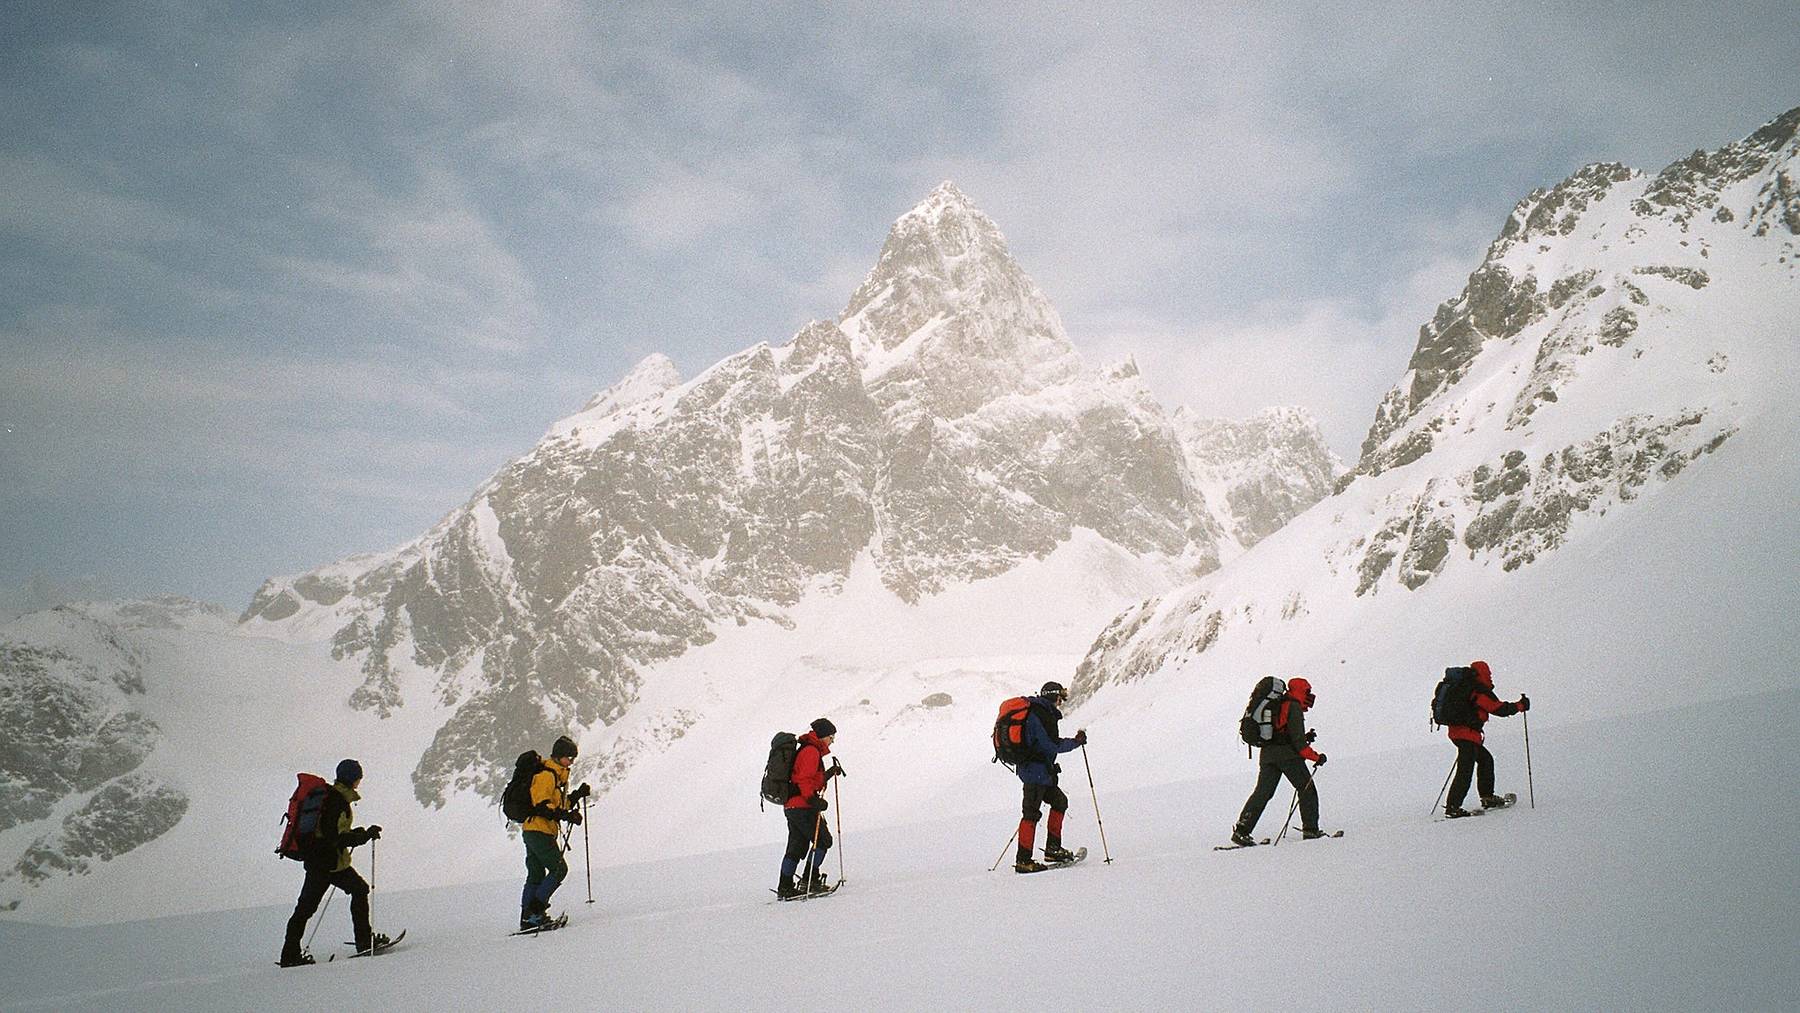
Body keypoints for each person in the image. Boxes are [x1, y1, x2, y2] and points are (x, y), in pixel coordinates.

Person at [279, 759, 387, 966]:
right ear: (353, 779)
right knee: (309, 908)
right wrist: (363, 836)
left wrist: (360, 833)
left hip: (322, 862)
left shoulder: (332, 798)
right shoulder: (337, 801)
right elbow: (334, 837)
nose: (359, 782)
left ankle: (290, 954)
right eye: (358, 778)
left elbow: (334, 833)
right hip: (327, 864)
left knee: (312, 906)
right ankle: (363, 942)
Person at [1230, 678, 1326, 846]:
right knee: (1307, 789)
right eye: (1307, 691)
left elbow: (1279, 733)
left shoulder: (1279, 703)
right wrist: (1317, 757)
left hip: (1267, 756)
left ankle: (1242, 831)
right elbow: (1299, 745)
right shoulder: (1293, 706)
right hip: (1287, 757)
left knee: (1263, 793)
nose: (1309, 695)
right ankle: (1311, 831)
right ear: (1301, 691)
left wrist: (1304, 738)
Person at [1012, 681, 1086, 873]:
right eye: (1060, 697)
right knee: (1031, 814)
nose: (1061, 701)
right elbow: (1051, 745)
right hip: (1035, 774)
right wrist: (1076, 742)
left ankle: (1053, 849)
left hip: (1039, 773)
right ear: (1054, 696)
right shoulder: (1043, 715)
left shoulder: (1040, 712)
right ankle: (1024, 860)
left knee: (1060, 802)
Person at [1443, 660, 1529, 818]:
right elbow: (1497, 708)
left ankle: (1486, 797)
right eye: (1489, 674)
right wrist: (1519, 706)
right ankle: (1453, 807)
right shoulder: (1477, 689)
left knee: (1485, 760)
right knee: (1466, 769)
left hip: (1459, 732)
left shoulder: (1466, 687)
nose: (1490, 677)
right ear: (1483, 674)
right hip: (1467, 733)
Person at [520, 735, 588, 930]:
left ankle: (527, 919)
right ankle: (536, 912)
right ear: (559, 756)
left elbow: (559, 804)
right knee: (559, 869)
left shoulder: (555, 777)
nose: (571, 762)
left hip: (534, 830)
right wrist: (566, 816)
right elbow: (542, 805)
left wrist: (577, 795)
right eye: (569, 758)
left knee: (536, 874)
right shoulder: (546, 775)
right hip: (539, 830)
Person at [777, 718, 845, 898]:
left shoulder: (808, 750)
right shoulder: (810, 752)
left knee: (797, 846)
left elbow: (810, 779)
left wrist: (829, 773)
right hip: (802, 806)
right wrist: (812, 800)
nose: (832, 741)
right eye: (831, 737)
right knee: (823, 840)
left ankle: (785, 886)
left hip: (793, 806)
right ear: (823, 736)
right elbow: (803, 780)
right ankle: (809, 880)